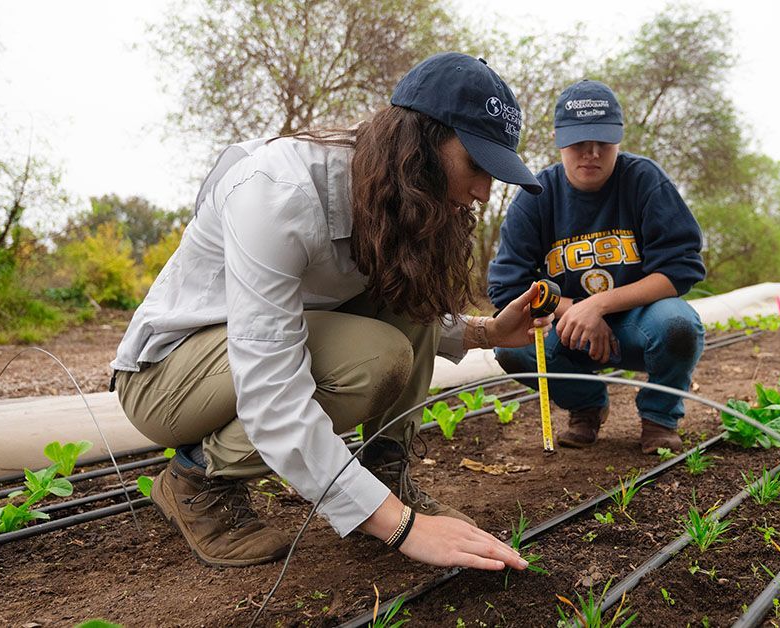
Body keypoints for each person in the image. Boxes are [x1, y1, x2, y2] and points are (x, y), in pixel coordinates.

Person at [110, 53, 549, 571]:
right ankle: (194, 478)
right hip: (167, 377)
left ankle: (387, 474)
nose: (482, 191)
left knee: (413, 292)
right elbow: (273, 390)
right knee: (374, 360)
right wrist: (400, 528)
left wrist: (488, 332)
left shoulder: (393, 199)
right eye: (476, 165)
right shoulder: (277, 193)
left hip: (246, 355)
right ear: (420, 145)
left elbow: (412, 311)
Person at [487, 79, 706, 455]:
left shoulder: (645, 181)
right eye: (578, 142)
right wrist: (574, 310)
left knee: (679, 324)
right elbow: (509, 287)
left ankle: (659, 418)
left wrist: (599, 305)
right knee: (513, 347)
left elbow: (681, 268)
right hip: (569, 330)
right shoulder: (536, 196)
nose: (591, 153)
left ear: (619, 138)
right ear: (557, 139)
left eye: (603, 142)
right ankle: (586, 405)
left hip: (641, 322)